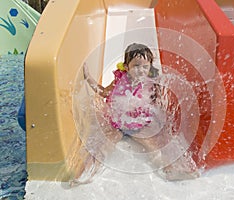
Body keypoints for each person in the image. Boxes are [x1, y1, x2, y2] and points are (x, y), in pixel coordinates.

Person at [72, 43, 199, 184]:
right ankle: (86, 173)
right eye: (136, 66)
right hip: (117, 124)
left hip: (140, 125)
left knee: (155, 147)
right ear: (126, 67)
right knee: (103, 146)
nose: (141, 70)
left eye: (145, 66)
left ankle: (171, 170)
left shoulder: (151, 83)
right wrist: (89, 78)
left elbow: (158, 105)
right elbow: (104, 92)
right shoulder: (119, 80)